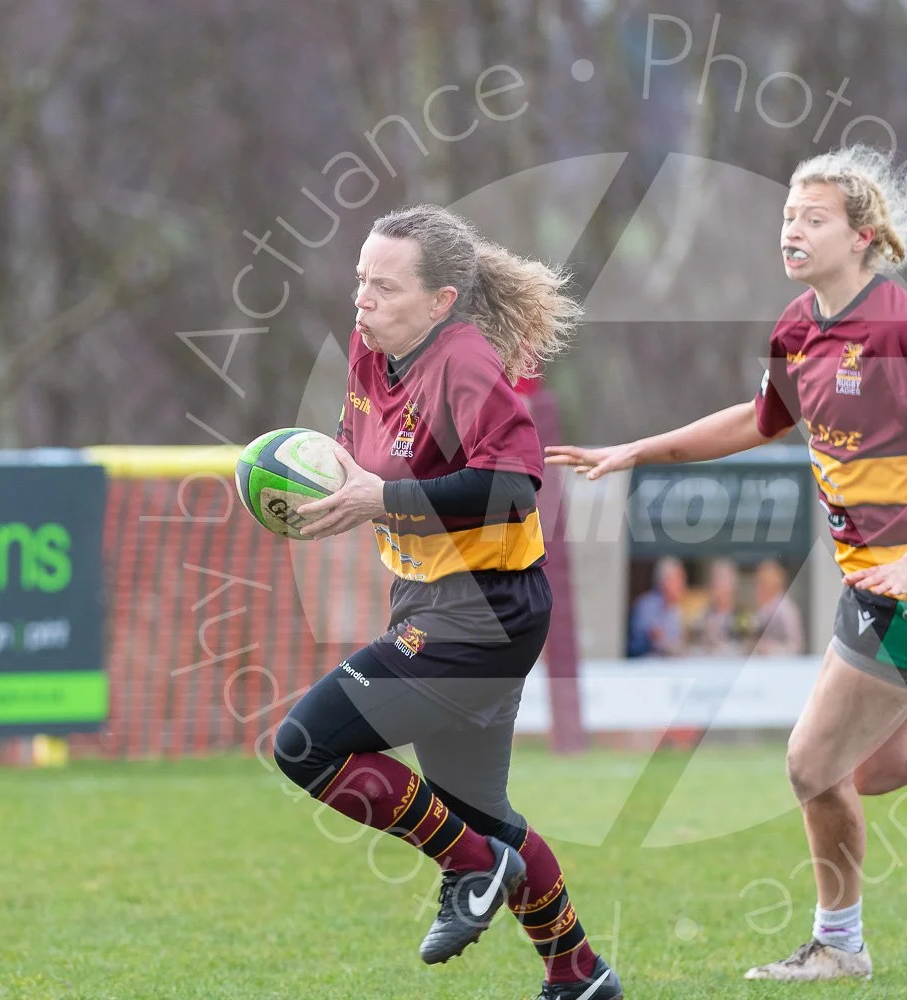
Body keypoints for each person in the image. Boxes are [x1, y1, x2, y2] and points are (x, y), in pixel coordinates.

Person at [547, 144, 907, 983]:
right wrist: (639, 449)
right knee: (874, 768)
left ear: (863, 235)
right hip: (878, 577)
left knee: (811, 763)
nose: (792, 230)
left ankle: (839, 946)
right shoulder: (797, 326)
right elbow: (759, 419)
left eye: (813, 218)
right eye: (786, 216)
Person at [269, 205, 622, 1000]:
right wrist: (323, 491)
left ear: (441, 302)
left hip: (483, 614)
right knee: (479, 808)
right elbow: (359, 461)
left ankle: (471, 866)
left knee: (304, 747)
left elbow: (511, 487)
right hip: (435, 605)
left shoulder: (463, 360)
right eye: (360, 279)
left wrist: (380, 498)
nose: (362, 299)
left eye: (385, 287)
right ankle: (580, 976)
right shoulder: (370, 352)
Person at [627, 556, 688, 657]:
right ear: (665, 581)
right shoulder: (647, 606)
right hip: (647, 665)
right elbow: (657, 640)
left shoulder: (681, 607)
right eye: (678, 578)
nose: (682, 584)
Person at [752, 558, 805, 656]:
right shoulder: (764, 609)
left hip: (781, 666)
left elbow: (796, 646)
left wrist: (771, 648)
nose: (758, 588)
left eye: (762, 583)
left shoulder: (786, 610)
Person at [691, 557, 743, 655]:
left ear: (733, 584)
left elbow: (746, 647)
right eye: (715, 579)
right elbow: (693, 646)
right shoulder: (702, 617)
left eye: (723, 580)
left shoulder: (742, 617)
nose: (717, 585)